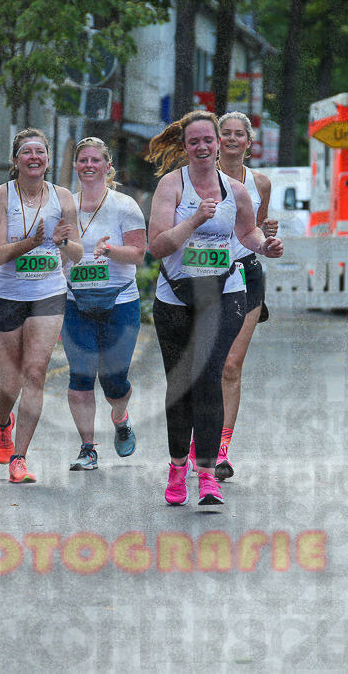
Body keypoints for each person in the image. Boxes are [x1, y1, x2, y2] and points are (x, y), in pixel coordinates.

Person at [145, 110, 283, 506]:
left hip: (225, 294)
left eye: (210, 141)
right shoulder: (171, 187)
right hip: (176, 297)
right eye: (195, 142)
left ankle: (206, 475)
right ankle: (176, 469)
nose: (204, 147)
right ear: (185, 147)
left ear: (218, 144)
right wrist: (192, 221)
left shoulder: (236, 190)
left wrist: (265, 245)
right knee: (180, 387)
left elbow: (248, 233)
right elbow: (157, 246)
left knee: (208, 379)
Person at [0, 128, 82, 483]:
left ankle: (19, 459)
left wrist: (62, 243)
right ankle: (2, 421)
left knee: (35, 374)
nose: (34, 157)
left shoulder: (63, 197)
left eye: (40, 152)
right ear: (16, 161)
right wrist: (34, 241)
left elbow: (78, 252)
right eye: (27, 152)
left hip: (47, 293)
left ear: (48, 159)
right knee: (10, 384)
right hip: (5, 295)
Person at [63, 137, 146, 471]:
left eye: (96, 160)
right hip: (75, 301)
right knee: (81, 375)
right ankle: (87, 449)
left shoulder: (124, 205)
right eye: (83, 160)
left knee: (114, 382)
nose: (89, 165)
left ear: (108, 167)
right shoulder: (64, 205)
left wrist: (108, 251)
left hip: (119, 301)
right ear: (76, 166)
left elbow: (139, 254)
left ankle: (120, 416)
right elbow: (57, 251)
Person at [207, 111, 275, 481]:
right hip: (202, 279)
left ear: (249, 142)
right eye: (225, 133)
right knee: (205, 367)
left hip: (245, 275)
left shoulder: (260, 182)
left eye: (239, 134)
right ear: (216, 140)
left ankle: (220, 450)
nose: (232, 139)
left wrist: (269, 232)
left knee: (230, 367)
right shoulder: (197, 178)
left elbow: (255, 231)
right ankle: (197, 441)